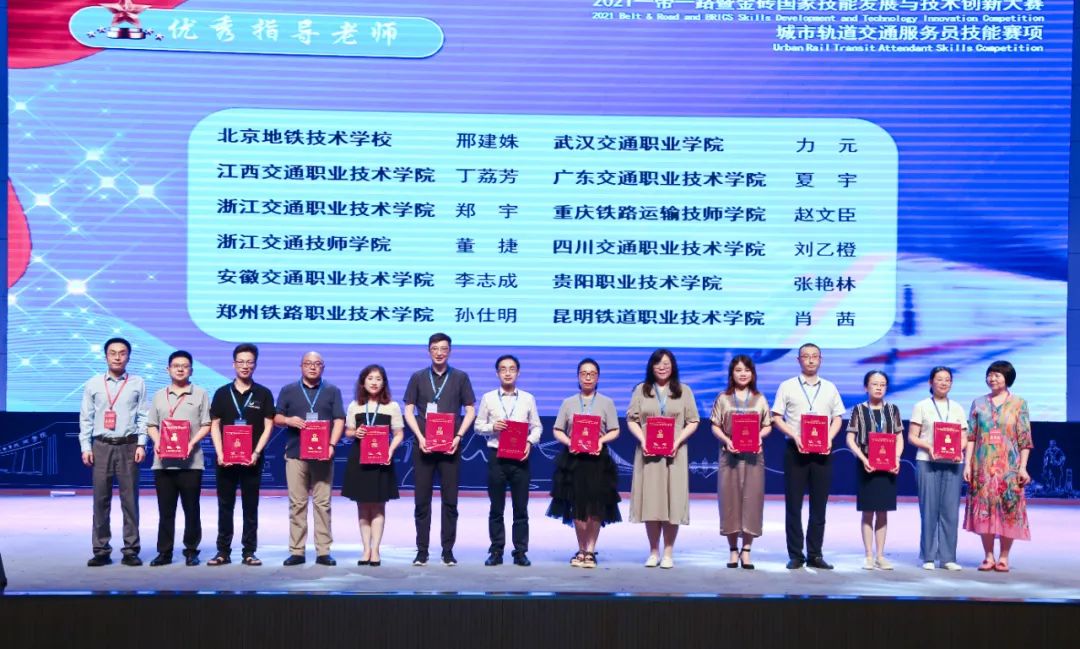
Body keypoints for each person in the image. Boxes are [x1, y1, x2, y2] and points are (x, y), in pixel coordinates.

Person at [403, 333, 476, 566]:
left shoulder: (461, 377)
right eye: (435, 348)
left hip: (450, 448)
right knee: (421, 501)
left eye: (444, 348)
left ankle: (447, 550)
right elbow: (408, 410)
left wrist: (458, 436)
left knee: (450, 501)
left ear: (450, 351)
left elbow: (470, 410)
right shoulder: (417, 377)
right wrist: (420, 436)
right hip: (423, 446)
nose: (439, 352)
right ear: (429, 351)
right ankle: (422, 551)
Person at [771, 342, 845, 570]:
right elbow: (776, 417)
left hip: (823, 452)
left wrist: (829, 438)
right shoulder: (787, 386)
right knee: (793, 505)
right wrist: (795, 435)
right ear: (799, 360)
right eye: (806, 356)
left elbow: (838, 417)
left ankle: (815, 554)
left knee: (819, 505)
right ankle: (795, 554)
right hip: (795, 450)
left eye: (815, 356)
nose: (811, 360)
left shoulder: (830, 387)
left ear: (821, 360)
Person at [626, 349, 700, 569]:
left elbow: (693, 421)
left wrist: (677, 442)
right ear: (651, 366)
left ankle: (668, 552)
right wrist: (643, 440)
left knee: (673, 501)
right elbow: (631, 420)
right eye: (658, 363)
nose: (662, 367)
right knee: (652, 501)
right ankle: (653, 551)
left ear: (673, 366)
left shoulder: (684, 390)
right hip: (648, 453)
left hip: (675, 453)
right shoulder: (641, 390)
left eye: (666, 363)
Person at [78, 337, 148, 567]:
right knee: (101, 500)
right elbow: (86, 418)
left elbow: (143, 416)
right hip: (101, 446)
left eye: (122, 353)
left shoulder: (138, 382)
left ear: (129, 356)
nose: (117, 357)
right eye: (113, 353)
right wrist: (86, 446)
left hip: (129, 445)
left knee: (130, 500)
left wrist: (141, 444)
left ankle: (131, 550)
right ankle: (101, 550)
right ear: (105, 356)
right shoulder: (93, 384)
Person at [547, 358, 622, 569]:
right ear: (578, 377)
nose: (588, 377)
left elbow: (615, 430)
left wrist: (601, 440)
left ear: (598, 377)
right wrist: (569, 442)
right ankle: (581, 549)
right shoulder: (568, 402)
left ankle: (590, 550)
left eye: (592, 374)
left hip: (598, 461)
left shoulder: (607, 402)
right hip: (574, 461)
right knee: (577, 506)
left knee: (595, 508)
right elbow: (557, 430)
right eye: (584, 373)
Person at [274, 351, 346, 566]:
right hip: (295, 454)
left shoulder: (332, 391)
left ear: (323, 367)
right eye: (308, 363)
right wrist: (288, 420)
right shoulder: (288, 390)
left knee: (322, 503)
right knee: (297, 503)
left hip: (323, 455)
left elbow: (339, 419)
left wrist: (332, 445)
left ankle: (323, 551)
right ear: (301, 366)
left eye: (317, 364)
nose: (312, 367)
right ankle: (297, 551)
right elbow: (276, 417)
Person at [208, 343, 276, 566]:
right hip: (225, 460)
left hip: (252, 459)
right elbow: (215, 424)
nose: (245, 366)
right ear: (233, 364)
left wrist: (256, 452)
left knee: (250, 506)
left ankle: (249, 551)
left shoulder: (263, 393)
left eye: (249, 362)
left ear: (255, 365)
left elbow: (268, 426)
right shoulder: (221, 393)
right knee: (225, 505)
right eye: (241, 362)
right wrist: (220, 453)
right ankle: (223, 551)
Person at [474, 355, 543, 567]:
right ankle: (496, 550)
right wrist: (492, 427)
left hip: (520, 458)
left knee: (521, 508)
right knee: (496, 508)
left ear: (518, 372)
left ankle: (520, 552)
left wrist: (529, 442)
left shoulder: (528, 398)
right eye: (503, 369)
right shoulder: (488, 398)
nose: (507, 373)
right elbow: (478, 426)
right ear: (497, 373)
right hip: (496, 457)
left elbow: (537, 427)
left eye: (512, 369)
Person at [964, 360, 1032, 573]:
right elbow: (971, 437)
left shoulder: (1019, 403)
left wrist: (1023, 467)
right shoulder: (978, 403)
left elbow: (1025, 439)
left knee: (1009, 509)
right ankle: (988, 556)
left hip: (1009, 468)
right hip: (982, 467)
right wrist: (967, 464)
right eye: (990, 374)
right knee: (984, 509)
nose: (992, 378)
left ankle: (1003, 556)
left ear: (1007, 378)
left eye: (997, 375)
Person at [145, 350, 211, 567]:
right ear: (168, 369)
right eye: (176, 366)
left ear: (191, 370)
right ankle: (164, 552)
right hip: (163, 463)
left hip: (191, 463)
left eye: (185, 366)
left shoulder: (200, 394)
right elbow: (151, 425)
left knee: (191, 509)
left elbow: (207, 424)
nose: (180, 369)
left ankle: (191, 550)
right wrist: (157, 441)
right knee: (166, 511)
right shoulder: (158, 395)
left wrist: (191, 443)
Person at [710, 355, 772, 570]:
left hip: (754, 456)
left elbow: (767, 425)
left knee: (752, 501)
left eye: (747, 370)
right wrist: (727, 441)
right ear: (731, 374)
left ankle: (746, 550)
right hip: (730, 455)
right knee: (730, 501)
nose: (743, 374)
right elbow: (715, 425)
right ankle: (732, 549)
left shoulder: (760, 398)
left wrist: (759, 437)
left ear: (753, 374)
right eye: (738, 370)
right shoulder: (723, 398)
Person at [342, 365, 405, 567]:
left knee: (378, 506)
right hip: (360, 460)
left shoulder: (392, 406)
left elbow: (399, 434)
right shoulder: (355, 406)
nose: (374, 382)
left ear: (384, 383)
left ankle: (376, 549)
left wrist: (390, 451)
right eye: (370, 378)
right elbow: (348, 431)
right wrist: (355, 433)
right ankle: (365, 549)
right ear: (363, 382)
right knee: (362, 506)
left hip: (381, 460)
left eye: (378, 378)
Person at [908, 366, 968, 571]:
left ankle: (948, 557)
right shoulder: (921, 406)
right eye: (939, 379)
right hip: (927, 461)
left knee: (950, 511)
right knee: (929, 510)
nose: (943, 383)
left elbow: (964, 437)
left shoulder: (958, 408)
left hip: (954, 463)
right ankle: (928, 557)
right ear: (930, 382)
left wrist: (957, 449)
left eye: (947, 380)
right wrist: (929, 447)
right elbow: (912, 436)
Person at [844, 370, 904, 571]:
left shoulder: (893, 410)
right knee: (868, 511)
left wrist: (896, 458)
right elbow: (850, 439)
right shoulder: (858, 410)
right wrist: (863, 459)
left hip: (888, 467)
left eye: (882, 384)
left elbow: (899, 437)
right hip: (867, 466)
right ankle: (869, 555)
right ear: (866, 387)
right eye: (874, 384)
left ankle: (880, 555)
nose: (879, 388)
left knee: (883, 512)